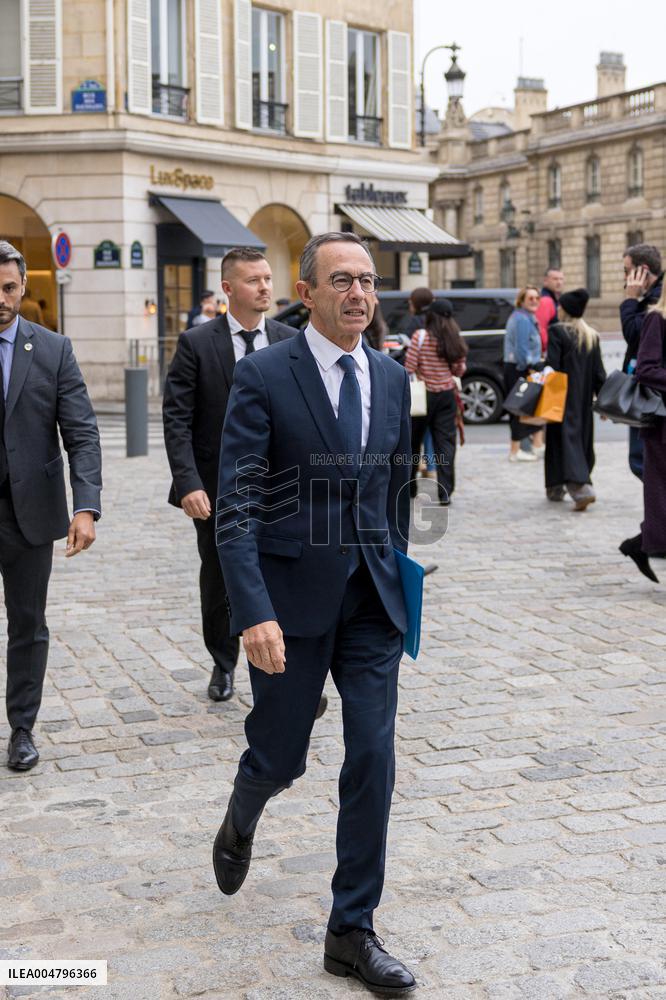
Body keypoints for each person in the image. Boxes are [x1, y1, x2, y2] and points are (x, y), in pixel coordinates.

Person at [213, 232, 417, 997]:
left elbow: (395, 490)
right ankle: (242, 811)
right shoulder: (266, 374)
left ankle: (351, 929)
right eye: (342, 280)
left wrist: (400, 572)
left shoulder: (393, 380)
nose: (360, 293)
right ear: (308, 292)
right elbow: (237, 503)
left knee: (373, 754)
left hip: (372, 604)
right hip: (289, 607)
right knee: (282, 755)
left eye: (367, 280)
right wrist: (251, 610)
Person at [163, 248, 295, 704]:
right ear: (227, 289)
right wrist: (188, 484)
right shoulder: (197, 343)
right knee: (219, 582)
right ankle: (224, 661)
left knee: (279, 575)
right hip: (215, 492)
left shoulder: (288, 339)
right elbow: (176, 419)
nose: (264, 287)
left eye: (267, 278)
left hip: (279, 489)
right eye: (253, 280)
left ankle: (283, 663)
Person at [0, 241, 101, 771]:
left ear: (23, 288)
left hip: (30, 512)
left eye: (9, 288)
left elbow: (82, 434)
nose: (0, 298)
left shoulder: (54, 350)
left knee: (27, 623)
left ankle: (22, 729)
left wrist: (85, 506)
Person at [543, 289, 606, 510]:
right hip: (584, 401)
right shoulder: (591, 336)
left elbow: (553, 367)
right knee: (580, 441)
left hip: (560, 399)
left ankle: (580, 488)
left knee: (562, 441)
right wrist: (604, 403)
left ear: (565, 310)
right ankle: (556, 487)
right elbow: (600, 374)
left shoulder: (557, 332)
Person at [619, 288, 666, 583]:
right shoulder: (657, 319)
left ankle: (639, 545)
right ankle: (642, 544)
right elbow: (646, 370)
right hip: (663, 427)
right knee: (662, 500)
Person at [404, 297, 467, 505]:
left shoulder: (420, 337)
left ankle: (410, 486)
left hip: (423, 396)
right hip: (447, 395)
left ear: (431, 315)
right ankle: (445, 491)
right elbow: (459, 370)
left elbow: (409, 367)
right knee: (446, 444)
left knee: (414, 443)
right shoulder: (454, 338)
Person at [620, 244, 664, 481]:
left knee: (642, 461)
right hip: (646, 394)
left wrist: (629, 300)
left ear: (642, 270)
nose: (625, 278)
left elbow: (635, 336)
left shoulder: (658, 298)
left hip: (652, 395)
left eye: (627, 271)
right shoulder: (651, 295)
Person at [503, 286, 543, 462]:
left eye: (536, 298)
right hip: (519, 368)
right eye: (530, 298)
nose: (534, 301)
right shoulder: (522, 319)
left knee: (528, 408)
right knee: (519, 409)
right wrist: (529, 366)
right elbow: (521, 348)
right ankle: (515, 450)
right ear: (522, 301)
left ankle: (535, 446)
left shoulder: (527, 317)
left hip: (521, 367)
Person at [535, 267, 564, 353]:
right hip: (549, 350)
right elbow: (541, 328)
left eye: (561, 279)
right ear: (545, 281)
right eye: (555, 279)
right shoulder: (546, 300)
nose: (559, 282)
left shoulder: (556, 299)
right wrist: (545, 349)